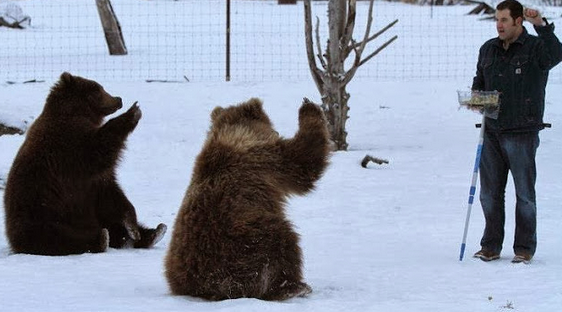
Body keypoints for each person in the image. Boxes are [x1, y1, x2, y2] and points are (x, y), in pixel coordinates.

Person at [471, 0, 562, 264]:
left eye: (504, 20)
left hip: (522, 131)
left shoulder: (536, 49)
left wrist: (542, 27)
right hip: (491, 131)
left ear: (518, 21)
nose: (499, 25)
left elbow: (556, 54)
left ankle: (523, 248)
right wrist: (477, 99)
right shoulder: (488, 49)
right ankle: (490, 245)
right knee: (489, 194)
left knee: (524, 193)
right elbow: (479, 82)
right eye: (497, 20)